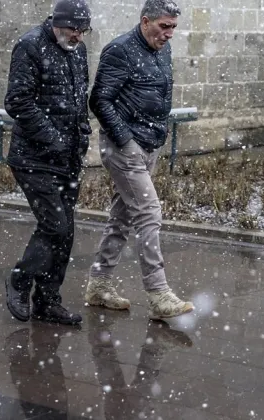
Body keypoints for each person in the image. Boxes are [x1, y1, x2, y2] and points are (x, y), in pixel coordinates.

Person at [85, 0, 194, 319]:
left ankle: (99, 284)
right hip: (124, 149)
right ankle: (158, 293)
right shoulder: (120, 50)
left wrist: (155, 137)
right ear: (146, 21)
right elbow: (99, 100)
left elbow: (162, 95)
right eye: (164, 26)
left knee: (122, 217)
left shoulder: (163, 50)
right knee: (149, 213)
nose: (170, 33)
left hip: (150, 145)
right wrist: (126, 141)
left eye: (173, 27)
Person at [3, 0, 93, 325]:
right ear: (57, 22)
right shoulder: (29, 46)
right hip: (34, 159)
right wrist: (52, 138)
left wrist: (82, 137)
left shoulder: (77, 50)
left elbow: (80, 97)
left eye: (84, 31)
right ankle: (20, 279)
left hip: (68, 159)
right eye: (73, 29)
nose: (78, 37)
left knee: (66, 231)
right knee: (54, 225)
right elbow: (17, 101)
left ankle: (47, 300)